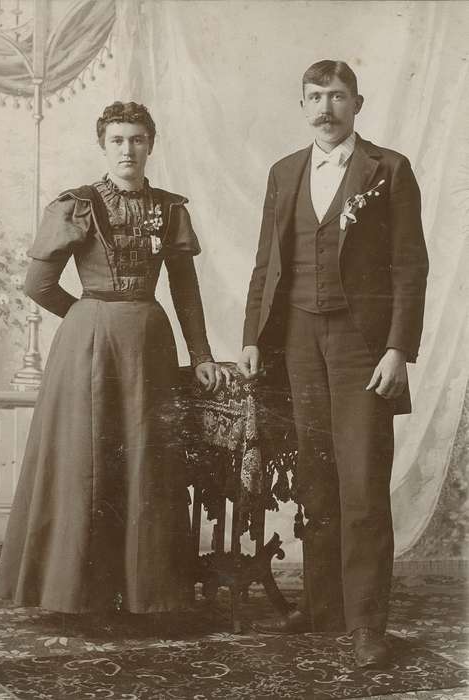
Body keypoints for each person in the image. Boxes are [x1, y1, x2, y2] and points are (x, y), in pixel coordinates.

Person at [0, 101, 229, 617]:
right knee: (88, 458)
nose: (128, 149)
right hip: (90, 347)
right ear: (104, 145)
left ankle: (146, 593)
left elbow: (185, 290)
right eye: (118, 139)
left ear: (151, 144)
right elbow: (38, 283)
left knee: (147, 458)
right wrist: (86, 316)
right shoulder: (77, 204)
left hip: (149, 346)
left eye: (138, 139)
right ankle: (79, 592)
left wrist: (203, 355)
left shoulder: (170, 209)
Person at [237, 61, 428, 667]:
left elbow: (409, 267)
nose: (326, 108)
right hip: (295, 339)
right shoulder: (284, 172)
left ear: (358, 102)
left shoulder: (389, 169)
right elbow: (266, 262)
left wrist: (398, 348)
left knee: (363, 482)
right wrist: (251, 338)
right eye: (315, 97)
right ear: (301, 104)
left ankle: (368, 623)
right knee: (315, 480)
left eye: (337, 96)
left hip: (360, 345)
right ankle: (323, 606)